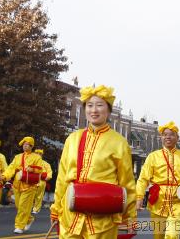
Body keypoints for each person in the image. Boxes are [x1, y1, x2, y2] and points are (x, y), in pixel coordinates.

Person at [50, 85, 137, 238]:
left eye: (99, 105)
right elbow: (62, 178)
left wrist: (129, 218)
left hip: (103, 219)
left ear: (108, 110)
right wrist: (56, 209)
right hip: (70, 215)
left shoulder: (119, 142)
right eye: (89, 105)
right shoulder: (73, 139)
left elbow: (127, 183)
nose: (94, 110)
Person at [136, 121, 180, 239]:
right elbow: (143, 179)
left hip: (178, 202)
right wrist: (139, 197)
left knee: (172, 235)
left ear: (177, 138)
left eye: (171, 134)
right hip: (157, 202)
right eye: (165, 134)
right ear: (161, 137)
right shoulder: (152, 157)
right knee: (158, 236)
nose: (168, 137)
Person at [0, 136, 42, 234]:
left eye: (27, 145)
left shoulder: (36, 157)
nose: (25, 146)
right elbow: (11, 168)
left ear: (31, 146)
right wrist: (5, 176)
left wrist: (32, 169)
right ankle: (29, 219)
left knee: (23, 207)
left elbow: (40, 169)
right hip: (17, 185)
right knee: (19, 206)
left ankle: (19, 226)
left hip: (29, 186)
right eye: (24, 145)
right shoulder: (17, 157)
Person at [31, 149, 52, 214]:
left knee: (39, 196)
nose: (38, 155)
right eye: (36, 153)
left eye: (39, 154)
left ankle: (36, 209)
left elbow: (49, 172)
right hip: (32, 181)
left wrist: (47, 177)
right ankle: (30, 207)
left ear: (42, 155)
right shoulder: (31, 163)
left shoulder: (45, 164)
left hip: (41, 182)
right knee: (30, 195)